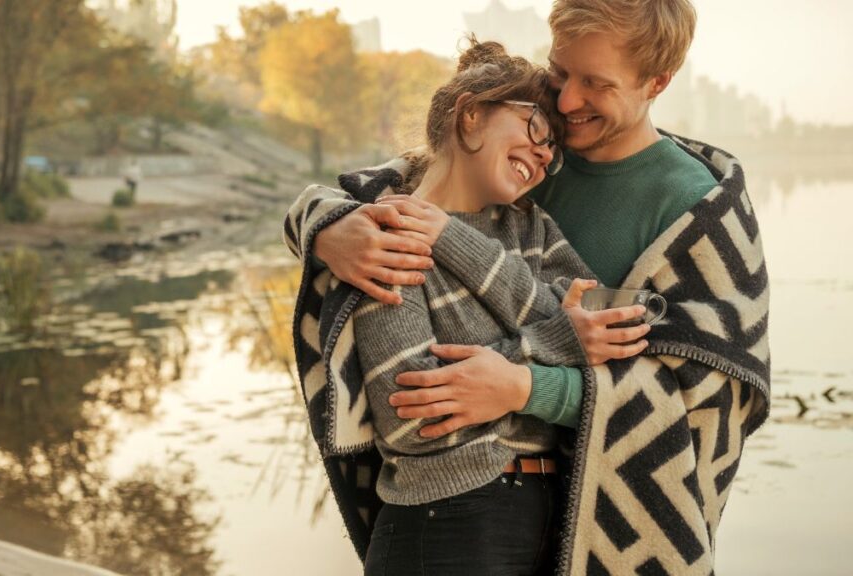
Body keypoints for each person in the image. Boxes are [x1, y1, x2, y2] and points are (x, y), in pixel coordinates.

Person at [284, 0, 770, 574]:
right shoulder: (520, 159)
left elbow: (699, 399)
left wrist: (524, 386)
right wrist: (322, 227)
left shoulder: (700, 210)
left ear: (657, 82)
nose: (565, 103)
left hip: (589, 526)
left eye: (594, 83)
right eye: (560, 72)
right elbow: (389, 193)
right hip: (470, 515)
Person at [352, 39, 643, 575]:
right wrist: (550, 345)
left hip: (554, 521)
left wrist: (454, 243)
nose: (545, 152)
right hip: (444, 529)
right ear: (470, 117)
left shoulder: (533, 229)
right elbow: (408, 416)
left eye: (552, 145)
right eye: (536, 129)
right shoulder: (388, 232)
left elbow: (599, 324)